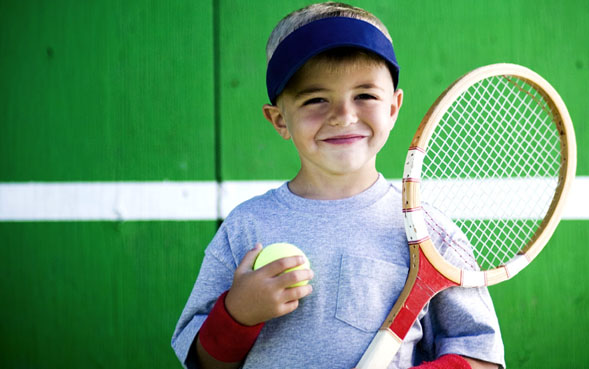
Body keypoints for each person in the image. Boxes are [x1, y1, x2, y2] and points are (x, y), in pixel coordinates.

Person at [171, 2, 505, 368]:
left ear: (393, 108)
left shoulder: (430, 233)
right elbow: (201, 362)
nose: (344, 116)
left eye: (364, 95)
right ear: (279, 120)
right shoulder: (246, 227)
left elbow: (481, 355)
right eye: (316, 99)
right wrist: (237, 314)